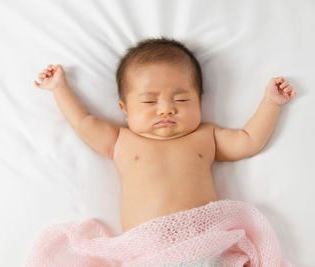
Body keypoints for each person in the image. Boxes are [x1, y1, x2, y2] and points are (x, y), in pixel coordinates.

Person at [30, 37, 295, 266]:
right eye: (149, 100)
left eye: (181, 99)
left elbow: (248, 141)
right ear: (124, 108)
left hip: (205, 247)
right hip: (147, 252)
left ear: (200, 101)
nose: (166, 109)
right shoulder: (120, 140)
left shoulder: (206, 136)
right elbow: (82, 121)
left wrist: (271, 103)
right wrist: (59, 89)